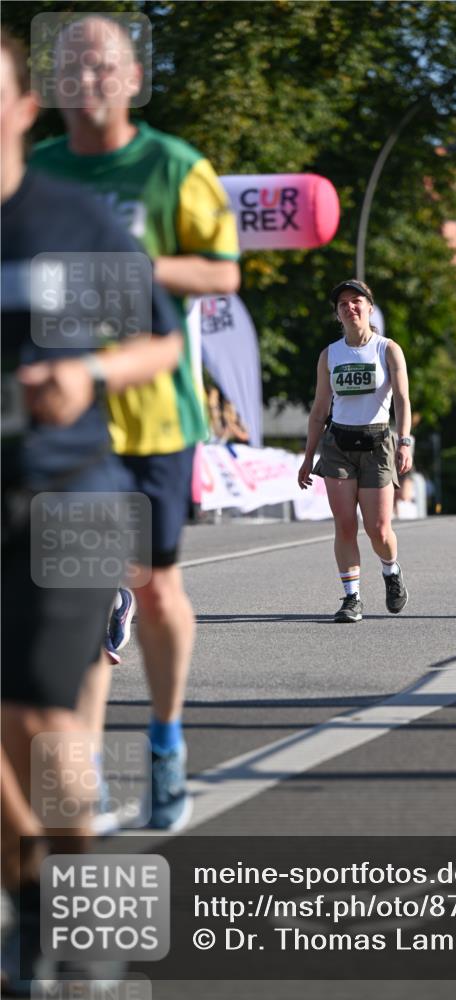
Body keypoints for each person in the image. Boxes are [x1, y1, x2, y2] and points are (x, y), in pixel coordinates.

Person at [0, 28, 182, 992]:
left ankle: (83, 905)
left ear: (25, 109)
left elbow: (160, 344)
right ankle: (35, 905)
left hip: (68, 497)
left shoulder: (65, 219)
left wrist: (87, 372)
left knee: (37, 709)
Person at [31, 15, 241, 829]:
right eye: (72, 63)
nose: (88, 75)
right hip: (63, 422)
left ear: (132, 78)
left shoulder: (172, 166)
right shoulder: (37, 167)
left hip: (153, 415)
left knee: (151, 591)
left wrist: (130, 261)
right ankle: (77, 788)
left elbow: (222, 270)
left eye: (104, 62)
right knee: (79, 598)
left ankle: (163, 742)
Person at [297, 279, 412, 622]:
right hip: (338, 445)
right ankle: (352, 598)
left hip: (377, 442)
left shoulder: (387, 349)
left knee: (378, 529)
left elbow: (403, 400)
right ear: (338, 314)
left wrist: (405, 442)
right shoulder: (330, 355)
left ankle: (391, 571)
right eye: (343, 304)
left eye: (356, 301)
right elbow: (320, 409)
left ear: (369, 308)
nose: (350, 307)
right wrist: (308, 456)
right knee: (345, 524)